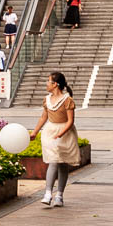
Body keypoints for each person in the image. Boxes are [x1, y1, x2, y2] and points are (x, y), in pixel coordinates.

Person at [31, 72, 81, 208]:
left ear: (55, 84)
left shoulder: (67, 100)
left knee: (62, 164)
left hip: (65, 133)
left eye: (48, 81)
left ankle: (59, 195)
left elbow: (70, 121)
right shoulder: (47, 99)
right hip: (50, 132)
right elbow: (44, 117)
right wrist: (35, 132)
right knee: (53, 161)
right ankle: (48, 193)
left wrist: (60, 134)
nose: (46, 84)